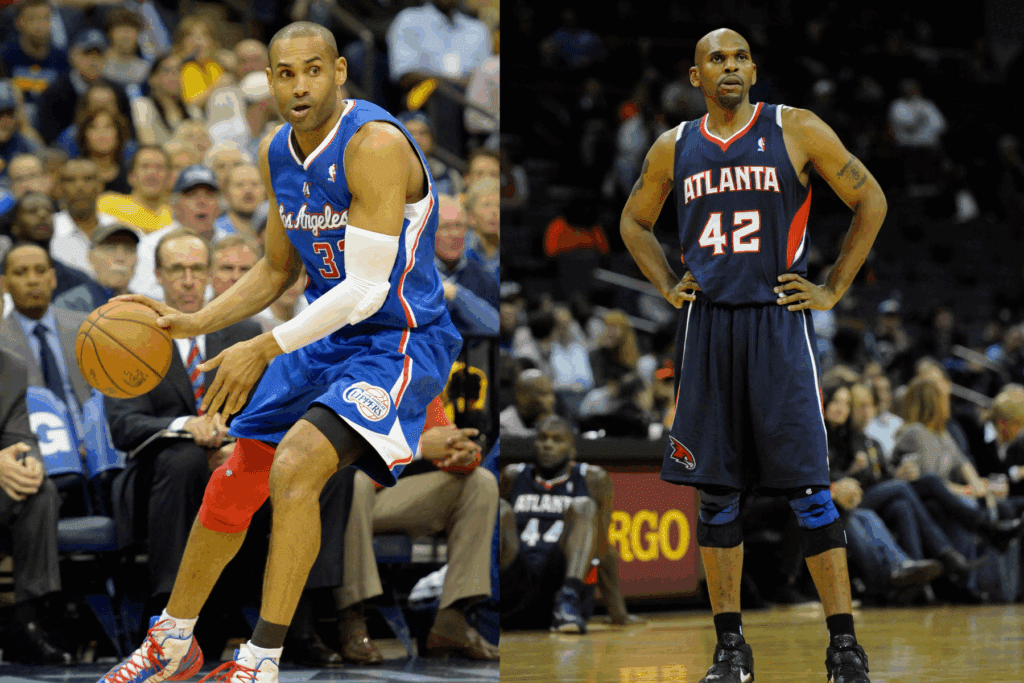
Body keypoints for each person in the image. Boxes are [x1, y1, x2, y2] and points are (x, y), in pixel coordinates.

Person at [99, 21, 462, 683]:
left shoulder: (374, 144)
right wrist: (195, 320)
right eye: (286, 73)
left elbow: (363, 288)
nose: (300, 86)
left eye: (313, 70)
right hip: (324, 336)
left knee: (295, 468)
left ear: (340, 71)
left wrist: (262, 346)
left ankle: (260, 660)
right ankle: (175, 641)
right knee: (236, 476)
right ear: (268, 81)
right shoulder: (277, 152)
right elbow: (273, 271)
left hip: (397, 337)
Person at [618, 29, 889, 683]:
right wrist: (665, 283)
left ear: (754, 70)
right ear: (695, 75)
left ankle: (844, 646)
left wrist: (833, 288)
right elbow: (633, 221)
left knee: (810, 493)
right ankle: (731, 651)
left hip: (777, 325)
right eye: (718, 58)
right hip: (708, 329)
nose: (731, 66)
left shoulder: (795, 128)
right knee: (716, 498)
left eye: (740, 56)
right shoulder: (672, 146)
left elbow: (870, 199)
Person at [342, 397, 498, 661]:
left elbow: (446, 438)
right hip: (340, 492)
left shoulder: (417, 377)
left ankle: (452, 618)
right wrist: (420, 448)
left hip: (385, 496)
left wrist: (464, 453)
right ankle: (351, 616)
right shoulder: (346, 370)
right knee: (355, 481)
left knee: (480, 482)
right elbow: (341, 453)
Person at [500, 414, 640, 633]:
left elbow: (603, 548)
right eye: (543, 438)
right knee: (499, 509)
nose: (548, 445)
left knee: (583, 506)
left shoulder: (592, 479)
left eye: (557, 440)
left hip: (558, 578)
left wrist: (618, 613)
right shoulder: (513, 475)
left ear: (572, 449)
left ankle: (568, 600)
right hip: (516, 581)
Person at [0, 346, 71, 665]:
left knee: (39, 490)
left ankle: (26, 623)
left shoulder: (11, 366)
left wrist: (29, 462)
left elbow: (19, 435)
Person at [0, 243, 91, 429]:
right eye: (20, 272)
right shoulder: (1, 342)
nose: (32, 280)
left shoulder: (87, 328)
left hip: (99, 441)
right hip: (36, 446)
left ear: (53, 278)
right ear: (4, 284)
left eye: (40, 271)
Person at [51, 158, 118, 275]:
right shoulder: (48, 230)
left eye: (88, 179)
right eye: (70, 180)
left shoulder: (116, 227)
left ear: (100, 185)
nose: (79, 186)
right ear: (60, 188)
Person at [97, 143, 174, 234]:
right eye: (144, 166)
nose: (152, 173)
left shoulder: (178, 214)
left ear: (169, 178)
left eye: (159, 167)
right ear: (131, 176)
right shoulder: (107, 204)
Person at [216, 164, 266, 238]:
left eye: (255, 184)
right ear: (225, 194)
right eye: (239, 185)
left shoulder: (278, 228)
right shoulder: (215, 232)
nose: (248, 190)